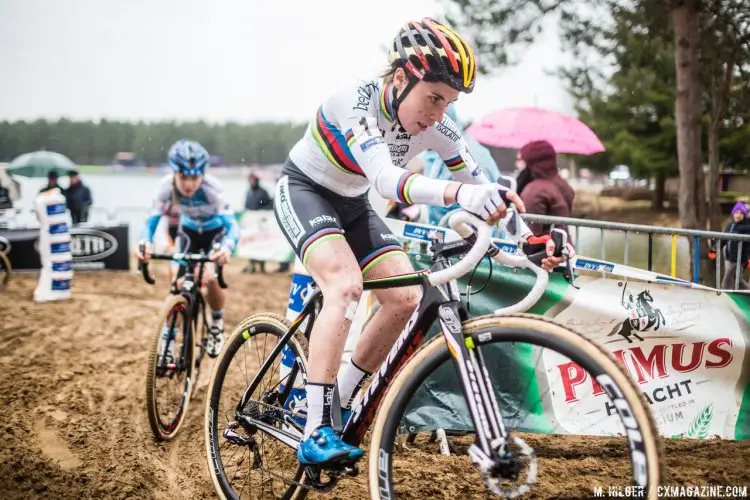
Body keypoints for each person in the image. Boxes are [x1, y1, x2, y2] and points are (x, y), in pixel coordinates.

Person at [274, 18, 566, 467]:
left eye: (448, 103)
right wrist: (459, 194)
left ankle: (344, 397)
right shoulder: (354, 101)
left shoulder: (439, 127)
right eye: (433, 97)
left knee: (407, 295)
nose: (437, 113)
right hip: (305, 190)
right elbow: (388, 180)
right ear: (399, 78)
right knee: (346, 286)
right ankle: (314, 428)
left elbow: (482, 183)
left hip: (352, 204)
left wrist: (528, 241)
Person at [137, 139, 239, 359]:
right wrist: (144, 243)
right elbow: (150, 223)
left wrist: (228, 248)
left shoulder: (213, 190)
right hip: (189, 234)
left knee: (211, 278)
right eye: (183, 177)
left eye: (194, 178)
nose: (189, 184)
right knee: (177, 284)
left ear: (203, 175)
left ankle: (216, 323)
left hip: (215, 234)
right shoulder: (165, 188)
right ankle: (168, 337)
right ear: (174, 173)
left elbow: (233, 226)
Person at [516, 140, 575, 237]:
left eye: (520, 159)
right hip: (563, 245)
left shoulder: (535, 190)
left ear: (531, 162)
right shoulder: (562, 183)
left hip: (544, 249)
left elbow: (531, 233)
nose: (517, 164)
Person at [719, 202, 750, 290]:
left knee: (727, 279)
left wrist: (748, 258)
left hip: (739, 259)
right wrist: (715, 249)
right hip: (729, 257)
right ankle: (748, 290)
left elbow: (748, 244)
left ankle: (724, 293)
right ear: (733, 214)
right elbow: (723, 238)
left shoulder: (746, 228)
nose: (738, 215)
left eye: (741, 213)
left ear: (744, 215)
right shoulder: (730, 226)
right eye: (737, 213)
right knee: (738, 280)